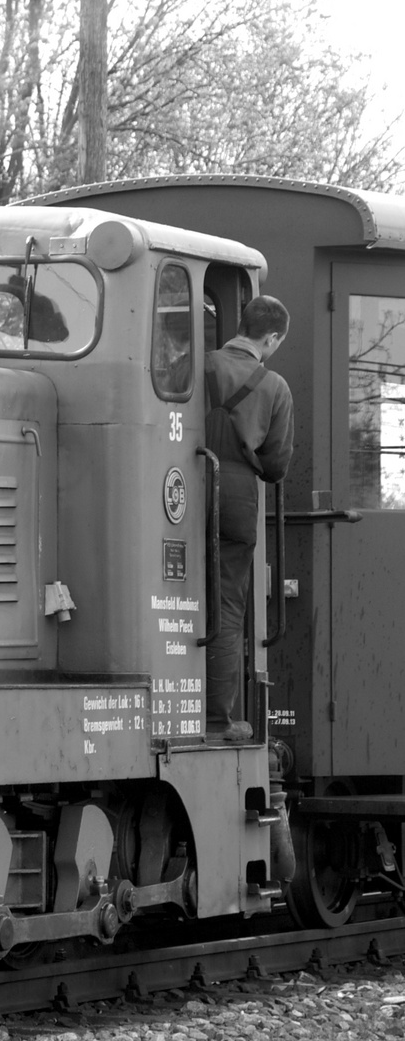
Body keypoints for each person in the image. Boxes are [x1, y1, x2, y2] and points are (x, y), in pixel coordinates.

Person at [203, 295, 294, 743]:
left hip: (182, 480)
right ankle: (219, 719)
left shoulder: (199, 366)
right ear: (271, 338)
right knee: (226, 603)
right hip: (237, 493)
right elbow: (276, 466)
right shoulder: (274, 386)